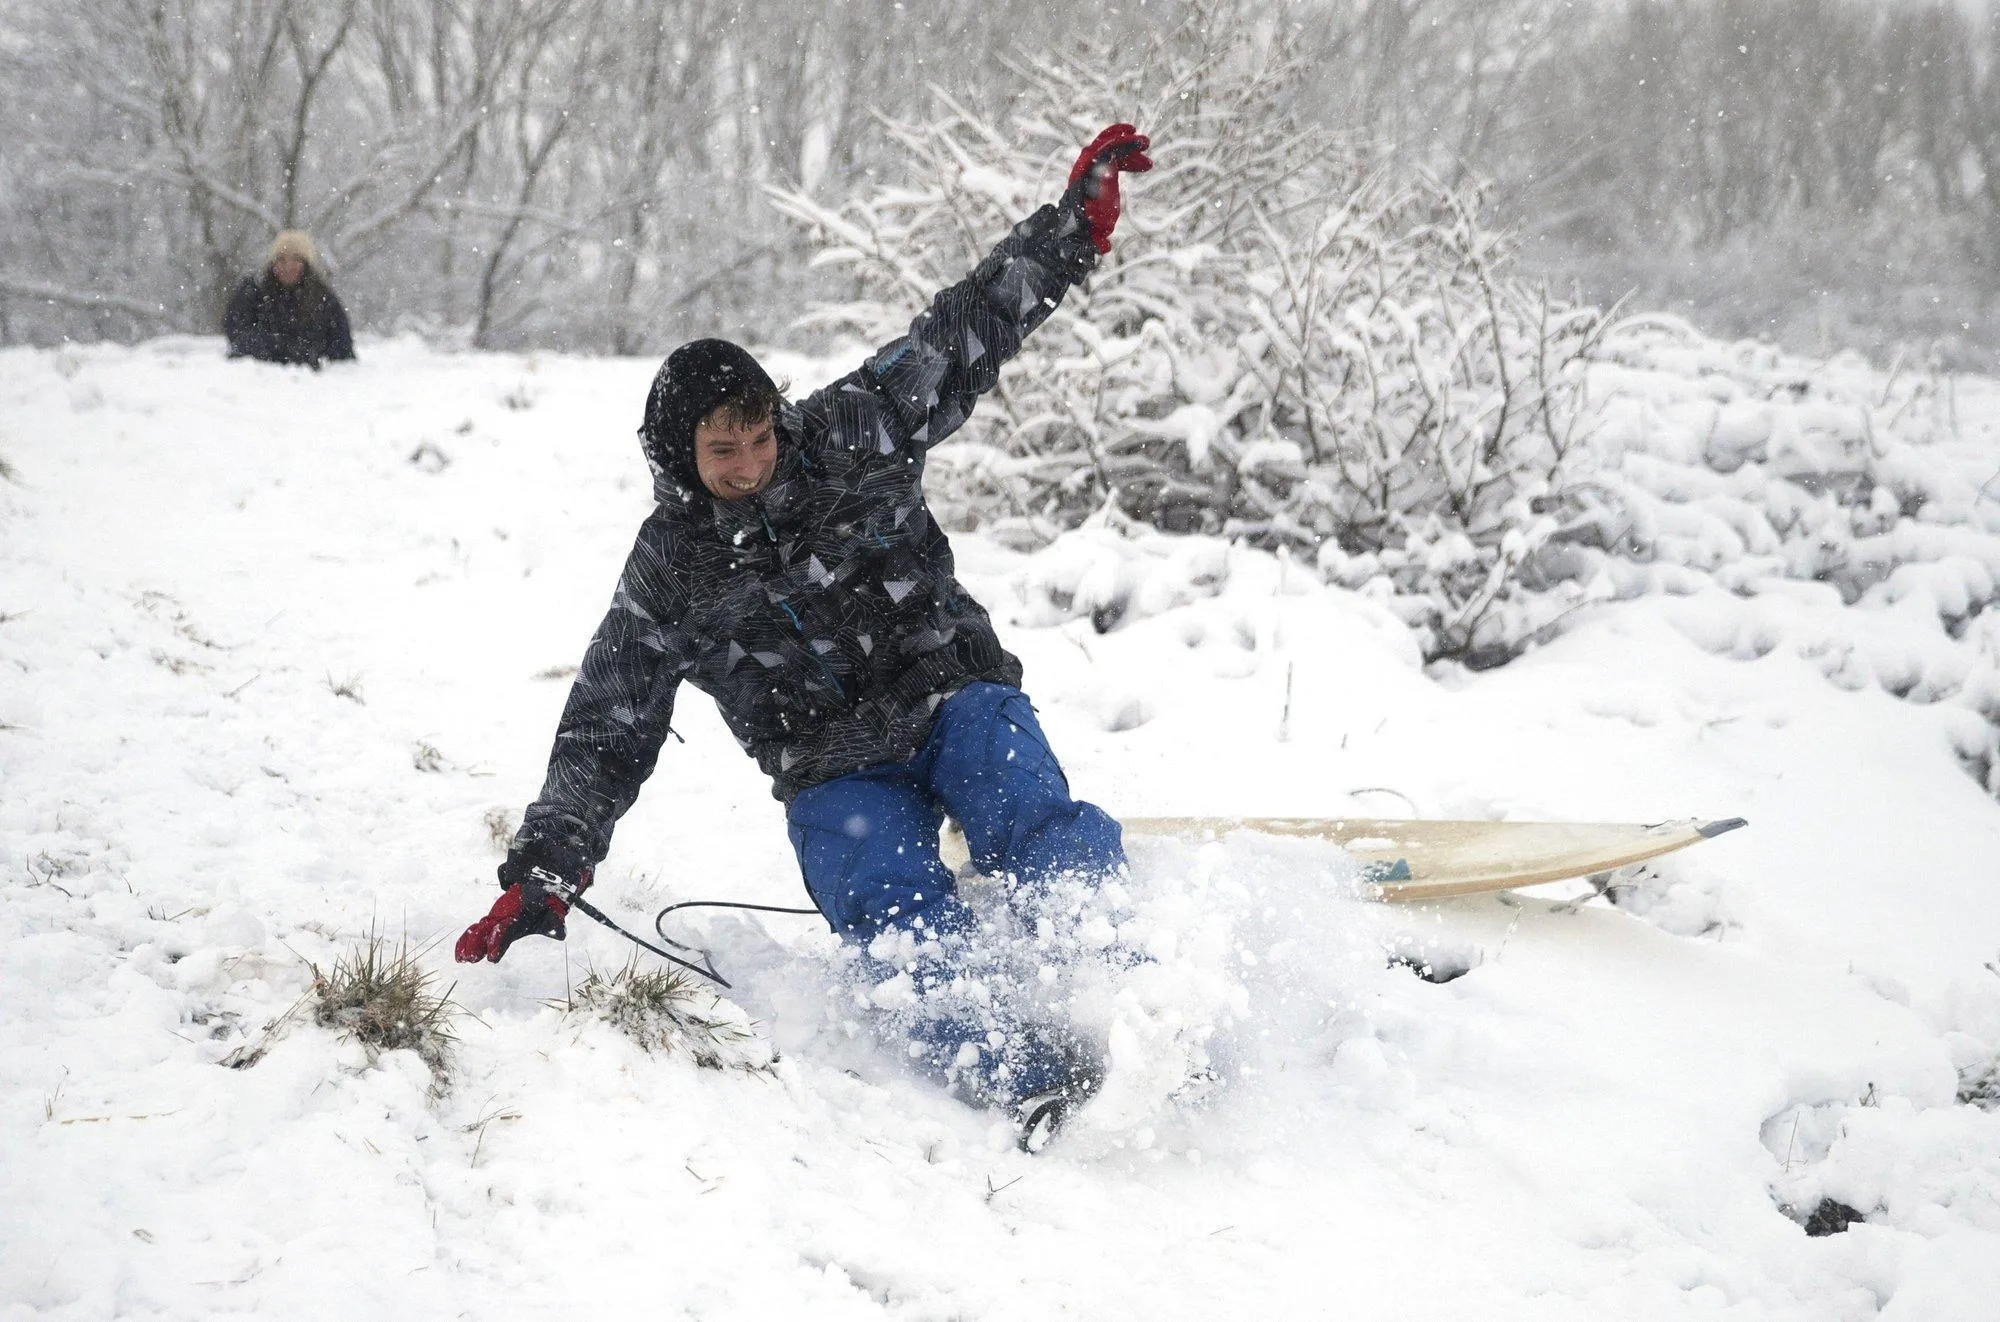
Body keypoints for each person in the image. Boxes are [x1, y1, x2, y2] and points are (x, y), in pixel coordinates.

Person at [456, 124, 1155, 1149]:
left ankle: (1124, 990)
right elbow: (609, 722)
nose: (747, 460)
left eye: (756, 433)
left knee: (1020, 800)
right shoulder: (670, 570)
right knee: (884, 902)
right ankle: (1018, 1072)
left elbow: (965, 328)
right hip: (833, 768)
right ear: (678, 457)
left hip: (949, 693)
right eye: (720, 449)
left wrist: (1071, 231)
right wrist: (547, 867)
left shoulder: (851, 432)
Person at [223, 230, 356, 368]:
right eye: (281, 259)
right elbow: (237, 333)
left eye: (296, 259)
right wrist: (280, 349)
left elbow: (342, 350)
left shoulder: (323, 298)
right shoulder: (253, 291)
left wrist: (310, 354)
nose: (288, 266)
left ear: (306, 263)